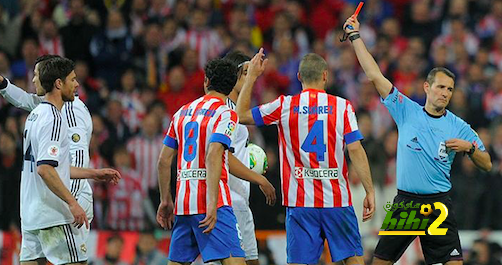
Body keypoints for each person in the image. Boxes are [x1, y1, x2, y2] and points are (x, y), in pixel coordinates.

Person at [343, 16, 492, 265]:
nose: (445, 93)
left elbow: (486, 163)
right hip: (406, 203)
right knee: (380, 262)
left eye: (450, 89)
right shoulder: (406, 110)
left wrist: (470, 148)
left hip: (438, 205)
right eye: (440, 87)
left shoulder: (459, 126)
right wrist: (355, 37)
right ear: (426, 87)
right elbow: (374, 75)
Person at [236, 49, 376, 265]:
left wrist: (252, 76)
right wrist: (369, 190)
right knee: (353, 259)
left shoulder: (284, 106)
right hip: (337, 201)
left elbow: (241, 115)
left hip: (300, 203)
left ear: (299, 77)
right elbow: (355, 149)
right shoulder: (342, 106)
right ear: (325, 76)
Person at [0, 55, 118, 262]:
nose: (34, 80)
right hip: (58, 207)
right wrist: (70, 203)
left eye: (37, 75)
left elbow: (63, 163)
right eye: (73, 79)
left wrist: (93, 173)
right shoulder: (55, 114)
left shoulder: (37, 114)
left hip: (32, 209)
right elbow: (49, 167)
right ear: (58, 83)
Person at [156, 58, 246, 265]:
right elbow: (214, 152)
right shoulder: (227, 114)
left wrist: (165, 200)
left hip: (183, 203)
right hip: (212, 202)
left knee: (177, 262)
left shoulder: (181, 112)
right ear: (232, 86)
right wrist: (212, 203)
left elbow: (163, 160)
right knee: (235, 261)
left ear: (206, 81)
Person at [214, 50, 276, 265]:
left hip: (239, 198)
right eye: (246, 73)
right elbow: (222, 157)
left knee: (252, 261)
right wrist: (259, 178)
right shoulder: (225, 111)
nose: (250, 77)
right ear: (234, 74)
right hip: (228, 200)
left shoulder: (232, 109)